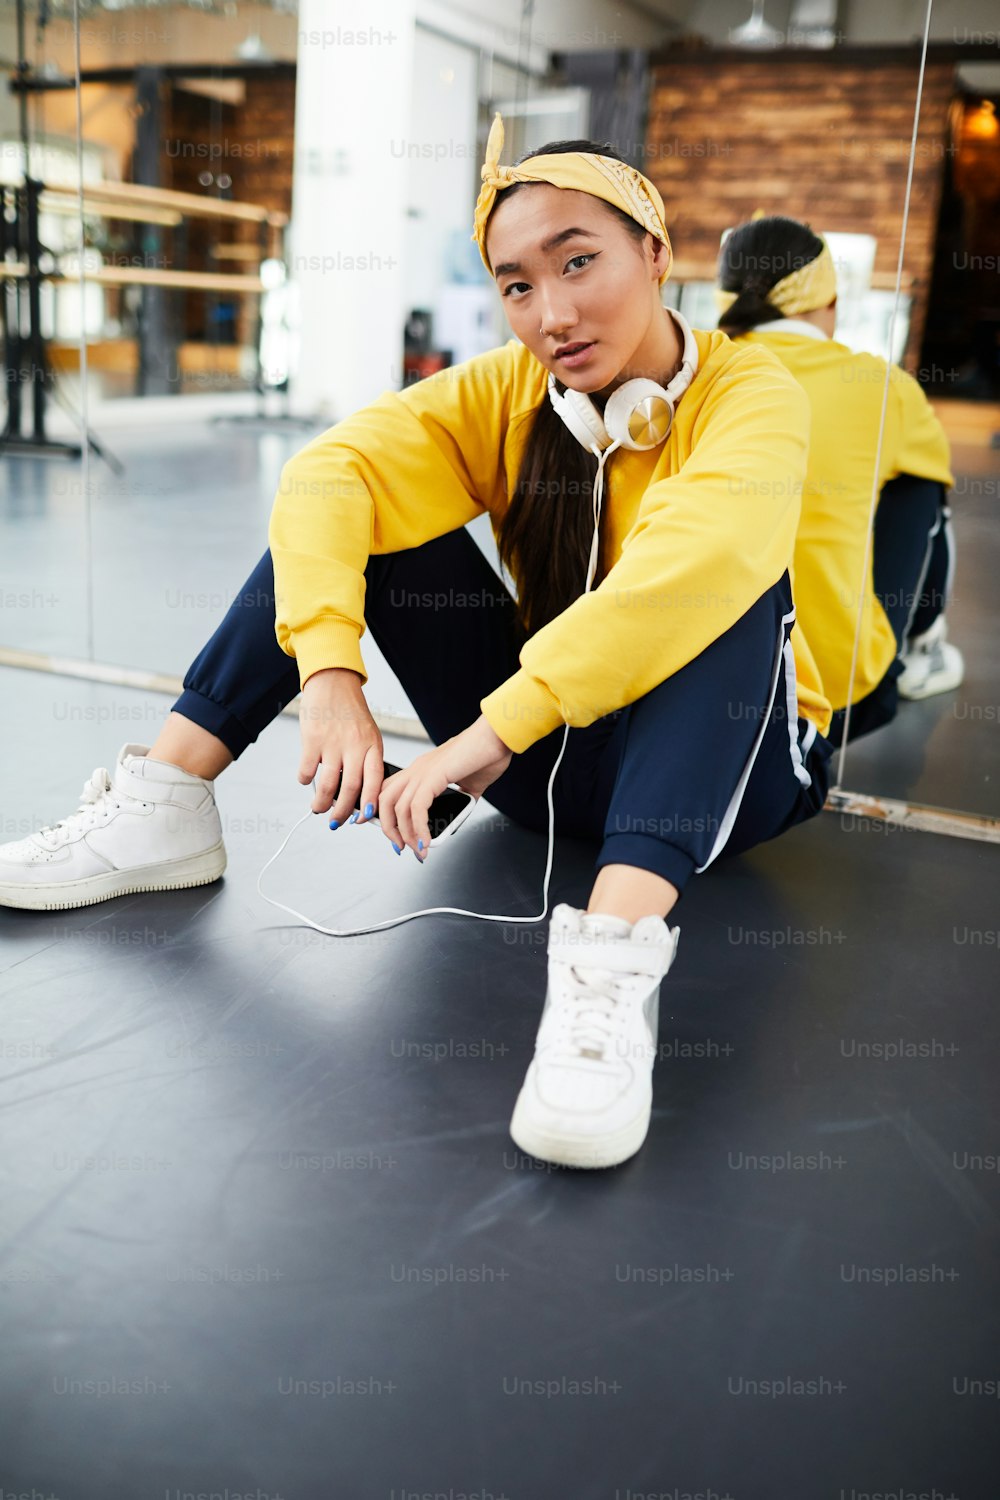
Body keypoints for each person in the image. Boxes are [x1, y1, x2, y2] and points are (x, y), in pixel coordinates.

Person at [0, 117, 835, 1170]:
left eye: (581, 262)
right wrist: (332, 675)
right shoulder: (511, 394)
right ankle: (169, 801)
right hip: (548, 770)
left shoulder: (754, 394)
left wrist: (483, 738)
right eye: (518, 284)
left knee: (725, 583)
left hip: (726, 776)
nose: (553, 313)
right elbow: (327, 474)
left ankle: (607, 975)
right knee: (355, 521)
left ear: (657, 253)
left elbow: (690, 570)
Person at [716, 215, 961, 743]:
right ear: (829, 302)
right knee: (922, 480)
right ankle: (925, 647)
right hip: (834, 693)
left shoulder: (696, 373)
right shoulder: (882, 386)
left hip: (694, 686)